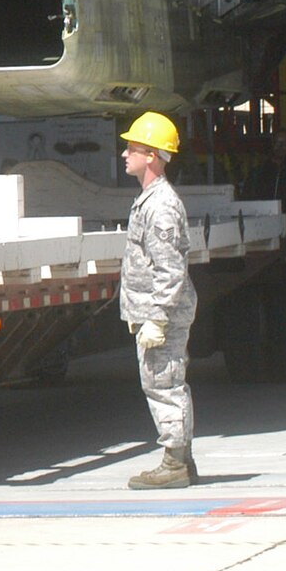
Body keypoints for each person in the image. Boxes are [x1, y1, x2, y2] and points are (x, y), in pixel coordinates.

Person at [119, 110, 199, 490]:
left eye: (132, 147)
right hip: (154, 311)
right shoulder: (150, 199)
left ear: (152, 155)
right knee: (165, 381)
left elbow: (170, 268)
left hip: (161, 313)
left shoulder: (161, 205)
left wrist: (159, 316)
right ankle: (182, 458)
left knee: (163, 384)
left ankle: (174, 464)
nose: (124, 154)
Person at [239, 129, 286, 233]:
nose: (280, 147)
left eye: (284, 143)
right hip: (262, 227)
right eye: (276, 142)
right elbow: (247, 199)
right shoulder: (258, 172)